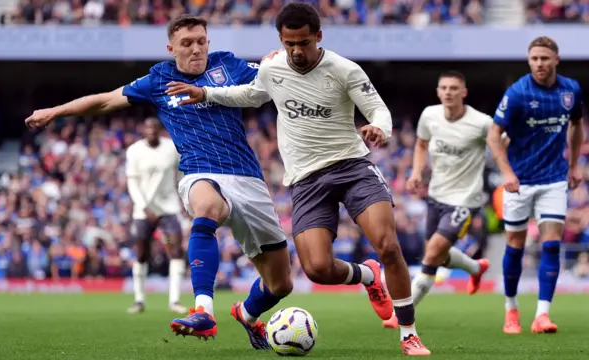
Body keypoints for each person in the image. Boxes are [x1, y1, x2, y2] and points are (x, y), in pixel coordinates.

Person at [166, 3, 430, 355]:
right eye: (289, 43)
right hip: (306, 180)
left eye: (303, 43)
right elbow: (251, 94)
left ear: (318, 36)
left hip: (352, 166)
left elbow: (378, 108)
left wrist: (380, 128)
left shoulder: (344, 69)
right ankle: (368, 275)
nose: (296, 51)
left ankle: (409, 333)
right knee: (318, 269)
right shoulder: (273, 67)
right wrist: (207, 93)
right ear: (281, 40)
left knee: (388, 245)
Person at [25, 15, 291, 350]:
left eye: (201, 41)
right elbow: (106, 100)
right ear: (171, 48)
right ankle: (203, 312)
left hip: (248, 178)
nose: (196, 49)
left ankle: (247, 314)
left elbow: (276, 76)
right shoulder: (159, 79)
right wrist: (56, 111)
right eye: (187, 43)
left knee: (280, 284)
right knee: (206, 208)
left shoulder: (229, 65)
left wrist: (276, 59)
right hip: (200, 171)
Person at [487, 36, 584, 334]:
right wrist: (507, 173)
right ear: (529, 61)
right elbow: (493, 136)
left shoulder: (571, 90)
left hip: (554, 179)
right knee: (515, 246)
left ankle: (542, 315)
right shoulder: (517, 93)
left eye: (544, 58)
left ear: (556, 59)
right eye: (534, 59)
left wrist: (574, 165)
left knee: (551, 244)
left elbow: (577, 126)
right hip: (519, 181)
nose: (539, 63)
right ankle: (511, 310)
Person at [382, 71, 491, 329]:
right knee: (438, 255)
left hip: (466, 199)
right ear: (438, 91)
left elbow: (501, 143)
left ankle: (402, 314)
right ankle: (475, 268)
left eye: (454, 88)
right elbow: (421, 145)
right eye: (444, 87)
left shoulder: (481, 122)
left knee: (431, 256)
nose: (448, 92)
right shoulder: (430, 116)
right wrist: (417, 172)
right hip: (437, 195)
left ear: (464, 92)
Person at [125, 117, 187, 314]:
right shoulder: (134, 151)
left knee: (175, 250)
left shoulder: (172, 148)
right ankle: (139, 299)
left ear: (160, 130)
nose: (151, 130)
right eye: (148, 127)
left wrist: (185, 197)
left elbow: (182, 174)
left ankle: (174, 300)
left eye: (154, 127)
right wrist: (143, 206)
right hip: (144, 210)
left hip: (168, 208)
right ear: (143, 130)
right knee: (142, 253)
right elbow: (132, 182)